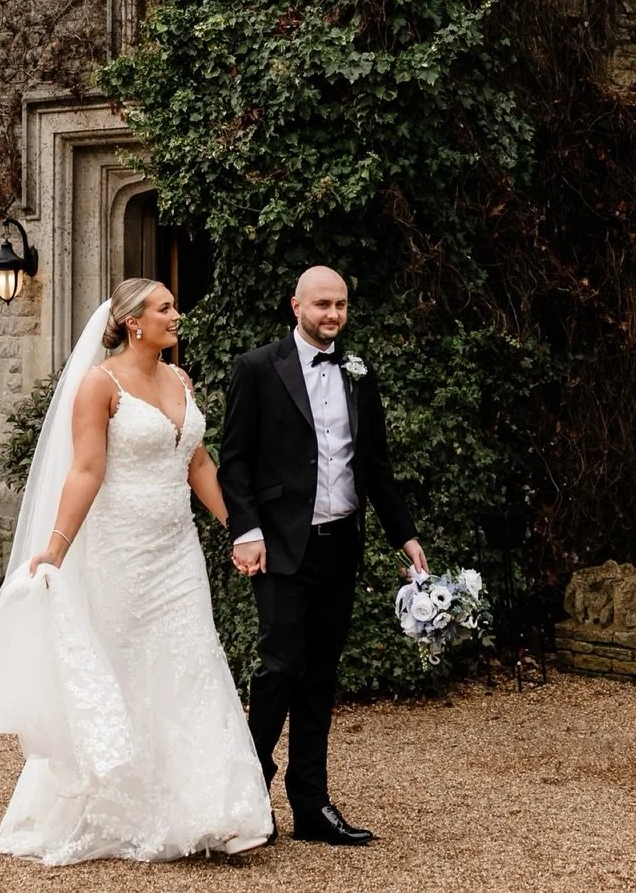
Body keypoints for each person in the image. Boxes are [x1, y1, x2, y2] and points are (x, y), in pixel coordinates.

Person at [0, 278, 272, 864]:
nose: (176, 315)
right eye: (165, 308)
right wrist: (55, 548)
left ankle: (214, 812)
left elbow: (197, 463)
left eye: (173, 306)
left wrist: (239, 528)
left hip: (177, 550)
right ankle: (124, 806)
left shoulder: (180, 380)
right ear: (134, 322)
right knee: (129, 669)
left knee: (193, 662)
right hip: (122, 552)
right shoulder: (100, 384)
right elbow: (86, 470)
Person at [220, 264, 427, 845]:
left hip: (341, 545)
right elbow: (234, 462)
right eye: (322, 305)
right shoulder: (257, 368)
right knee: (280, 668)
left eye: (340, 305)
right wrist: (246, 530)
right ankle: (247, 796)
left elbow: (376, 466)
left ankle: (311, 806)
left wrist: (405, 536)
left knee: (319, 676)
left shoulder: (359, 372)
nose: (333, 315)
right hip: (282, 546)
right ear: (297, 307)